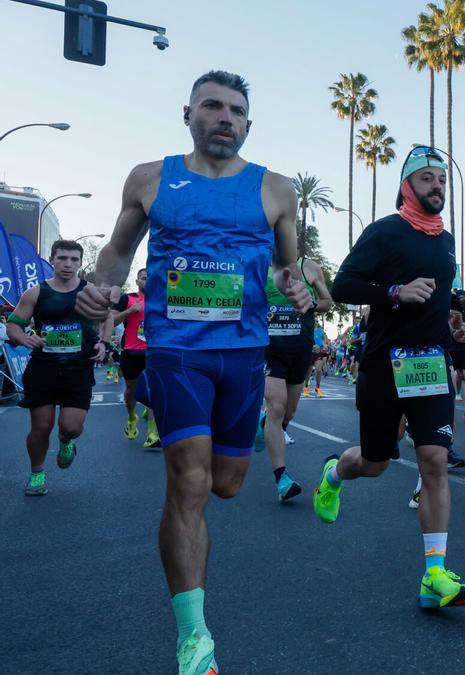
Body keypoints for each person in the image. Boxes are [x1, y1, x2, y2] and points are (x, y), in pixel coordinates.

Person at [74, 71, 313, 674]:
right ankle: (193, 637)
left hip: (243, 354)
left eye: (235, 109)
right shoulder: (151, 179)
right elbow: (118, 250)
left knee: (229, 484)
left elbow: (291, 267)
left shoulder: (277, 190)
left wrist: (298, 285)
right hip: (176, 349)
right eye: (213, 105)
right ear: (189, 114)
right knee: (190, 482)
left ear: (249, 124)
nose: (224, 117)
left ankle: (253, 424)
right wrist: (100, 287)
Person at [312, 145, 465, 610]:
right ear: (407, 187)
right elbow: (344, 284)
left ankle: (434, 575)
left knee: (433, 460)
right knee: (374, 464)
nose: (438, 186)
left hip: (431, 362)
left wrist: (462, 302)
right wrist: (393, 291)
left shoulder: (445, 240)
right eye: (427, 178)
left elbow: (435, 289)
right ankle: (333, 473)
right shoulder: (385, 232)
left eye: (442, 179)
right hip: (384, 365)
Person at [6, 240, 111, 495]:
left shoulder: (91, 291)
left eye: (74, 259)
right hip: (44, 366)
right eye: (63, 258)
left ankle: (66, 441)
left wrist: (104, 344)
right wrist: (24, 338)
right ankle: (37, 473)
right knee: (41, 427)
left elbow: (108, 318)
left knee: (71, 426)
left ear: (80, 263)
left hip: (78, 368)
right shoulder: (35, 293)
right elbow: (13, 325)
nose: (68, 264)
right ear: (52, 259)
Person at [255, 257, 332, 501]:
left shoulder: (309, 267)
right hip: (269, 350)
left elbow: (327, 302)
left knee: (288, 413)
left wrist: (310, 304)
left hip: (300, 350)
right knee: (277, 408)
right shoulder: (259, 265)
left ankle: (266, 423)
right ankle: (282, 478)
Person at [111, 268, 161, 448]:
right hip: (131, 352)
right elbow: (111, 321)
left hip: (154, 352)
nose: (147, 281)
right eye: (144, 278)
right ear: (137, 281)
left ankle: (153, 433)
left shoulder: (162, 299)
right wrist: (129, 311)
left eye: (151, 278)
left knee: (152, 390)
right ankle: (132, 417)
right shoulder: (128, 298)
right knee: (131, 390)